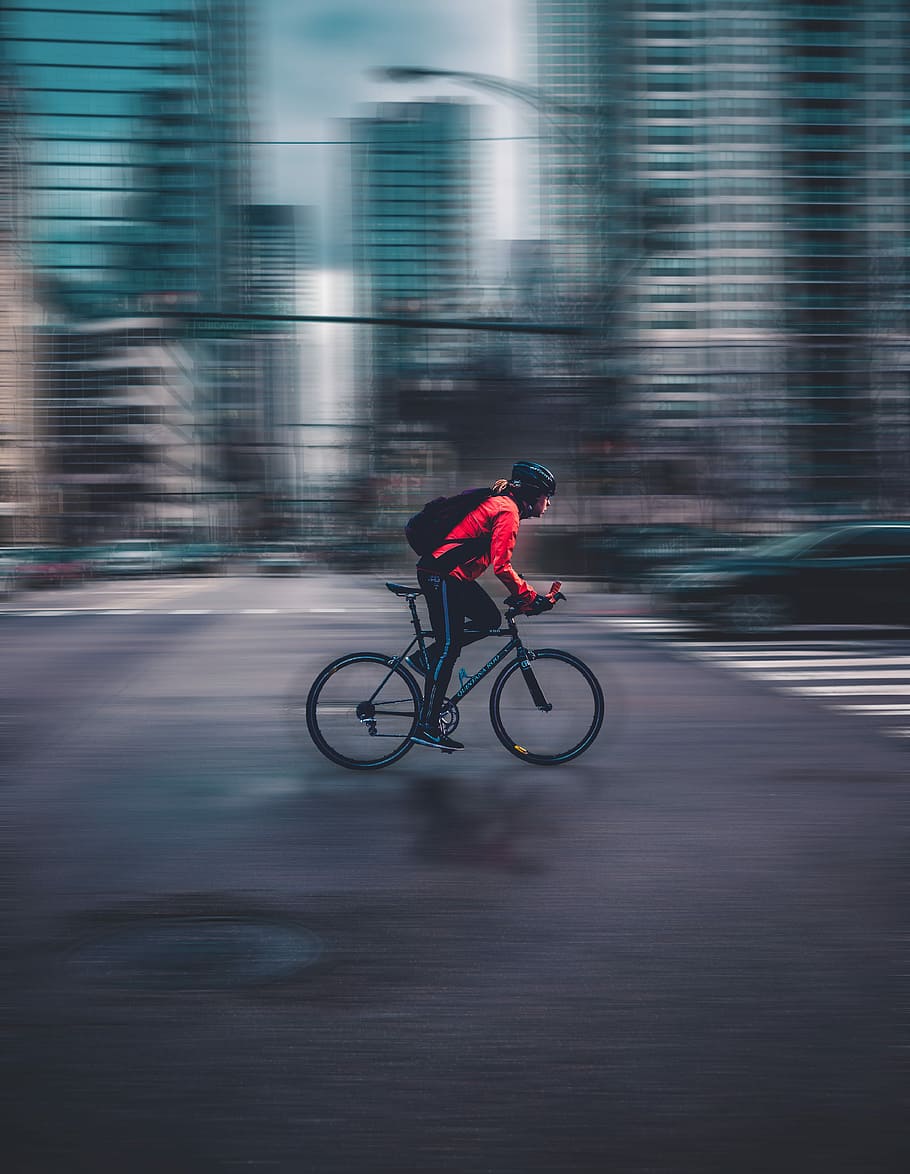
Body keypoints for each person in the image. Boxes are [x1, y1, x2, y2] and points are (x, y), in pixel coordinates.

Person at [408, 459, 558, 752]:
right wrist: (529, 597)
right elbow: (502, 566)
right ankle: (427, 725)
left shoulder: (504, 506)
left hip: (451, 574)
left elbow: (498, 563)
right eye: (547, 496)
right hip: (441, 574)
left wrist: (525, 595)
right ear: (532, 494)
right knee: (449, 647)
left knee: (489, 619)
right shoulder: (508, 511)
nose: (548, 503)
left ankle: (428, 659)